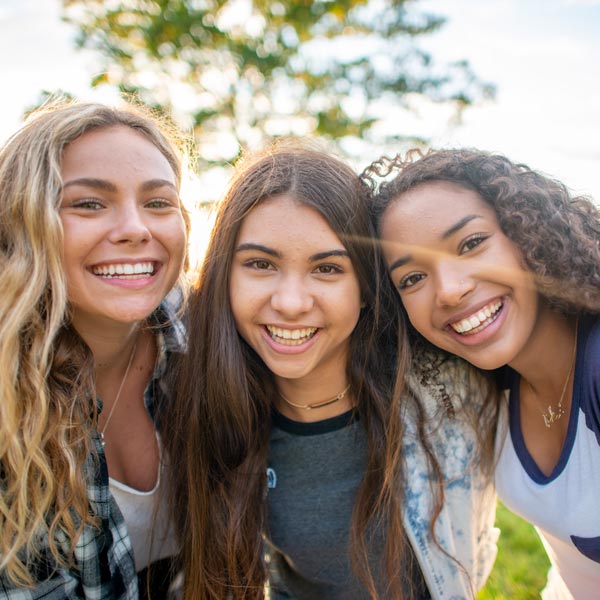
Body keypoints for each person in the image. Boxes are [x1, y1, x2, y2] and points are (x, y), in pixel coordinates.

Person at [164, 141, 499, 600]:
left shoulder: (446, 382)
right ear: (225, 275)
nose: (291, 303)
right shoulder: (208, 396)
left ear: (365, 286)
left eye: (326, 268)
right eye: (261, 264)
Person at [369, 148, 600, 599]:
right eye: (412, 278)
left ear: (528, 231)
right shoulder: (490, 384)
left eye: (471, 244)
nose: (451, 290)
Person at [0, 98, 190, 598]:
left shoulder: (205, 348)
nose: (135, 229)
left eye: (157, 202)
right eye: (89, 203)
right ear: (21, 224)